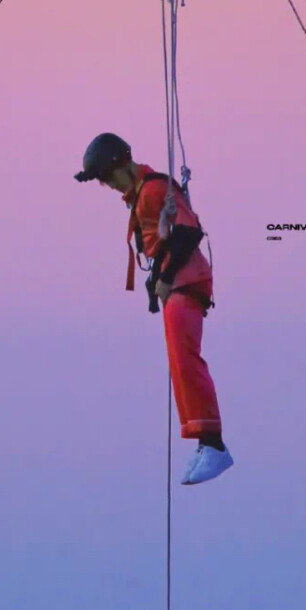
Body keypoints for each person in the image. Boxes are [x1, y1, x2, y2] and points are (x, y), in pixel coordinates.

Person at [75, 132, 234, 486]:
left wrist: (166, 276)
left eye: (107, 177)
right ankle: (204, 440)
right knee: (179, 363)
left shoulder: (152, 190)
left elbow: (189, 232)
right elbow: (160, 243)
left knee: (186, 359)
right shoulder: (142, 195)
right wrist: (155, 283)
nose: (108, 186)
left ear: (122, 164)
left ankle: (214, 445)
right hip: (175, 283)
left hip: (185, 282)